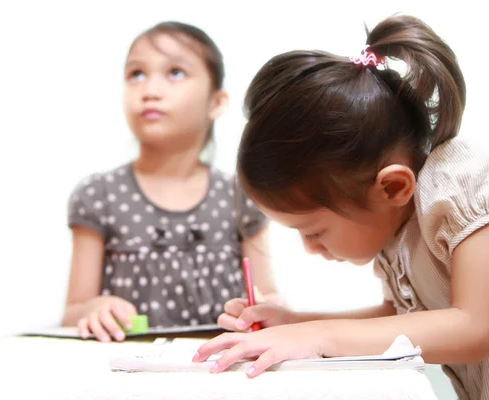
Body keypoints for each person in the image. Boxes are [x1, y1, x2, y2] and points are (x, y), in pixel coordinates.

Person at [192, 14, 489, 400]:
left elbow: (476, 326)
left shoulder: (457, 186)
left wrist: (318, 335)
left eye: (314, 231)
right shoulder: (393, 227)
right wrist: (296, 323)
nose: (311, 247)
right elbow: (405, 321)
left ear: (393, 187)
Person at [62, 21, 278, 343]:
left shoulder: (241, 194)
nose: (149, 91)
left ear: (217, 102)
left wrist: (267, 308)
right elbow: (72, 311)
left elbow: (268, 296)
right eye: (136, 74)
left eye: (175, 72)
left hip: (220, 369)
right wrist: (95, 308)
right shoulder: (98, 195)